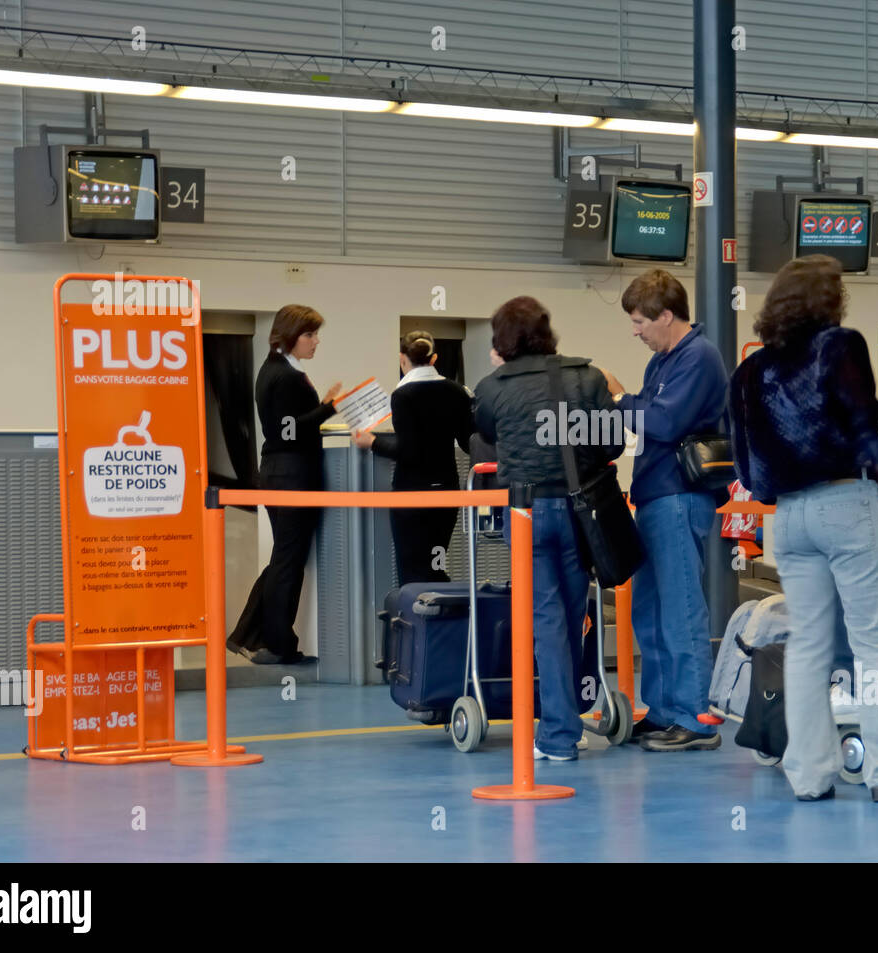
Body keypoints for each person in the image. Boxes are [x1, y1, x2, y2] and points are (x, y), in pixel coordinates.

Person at [729, 256, 878, 802]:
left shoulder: (749, 371)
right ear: (829, 301)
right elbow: (864, 420)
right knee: (872, 640)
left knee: (808, 643)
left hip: (788, 516)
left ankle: (809, 775)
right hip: (847, 503)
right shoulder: (840, 345)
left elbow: (744, 464)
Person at [473, 297, 624, 761]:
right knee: (572, 617)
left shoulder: (492, 386)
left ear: (501, 340)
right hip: (580, 512)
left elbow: (483, 435)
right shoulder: (587, 376)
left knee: (547, 622)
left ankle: (559, 734)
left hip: (528, 514)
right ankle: (566, 724)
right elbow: (613, 441)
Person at [597, 270, 728, 752]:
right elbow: (647, 419)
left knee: (680, 609)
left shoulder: (699, 357)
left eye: (639, 321)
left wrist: (617, 397)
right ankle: (663, 708)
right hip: (653, 495)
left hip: (678, 497)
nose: (636, 330)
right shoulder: (662, 362)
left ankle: (695, 717)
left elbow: (663, 420)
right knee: (650, 611)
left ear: (666, 315)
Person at [228, 304, 342, 665]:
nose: (316, 341)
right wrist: (326, 408)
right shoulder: (284, 375)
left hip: (279, 472)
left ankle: (253, 636)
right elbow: (287, 429)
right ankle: (277, 643)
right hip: (292, 475)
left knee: (284, 558)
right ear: (291, 335)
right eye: (309, 334)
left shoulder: (277, 370)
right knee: (288, 562)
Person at [353, 330, 473, 585]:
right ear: (434, 358)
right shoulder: (457, 391)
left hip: (412, 492)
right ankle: (440, 620)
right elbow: (467, 442)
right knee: (435, 563)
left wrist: (373, 442)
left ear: (402, 359)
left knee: (411, 570)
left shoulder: (403, 396)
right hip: (447, 491)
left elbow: (409, 451)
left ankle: (417, 621)